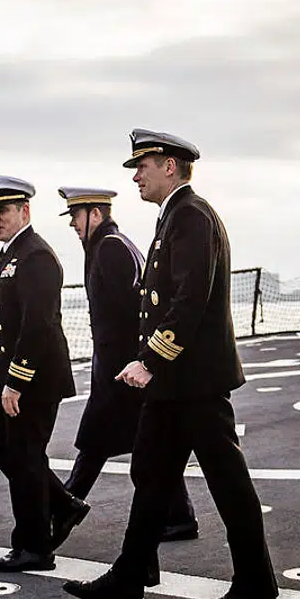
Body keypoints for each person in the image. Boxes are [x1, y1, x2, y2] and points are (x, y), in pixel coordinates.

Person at [62, 131, 277, 599]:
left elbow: (188, 300)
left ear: (172, 167)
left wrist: (150, 360)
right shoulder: (174, 217)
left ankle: (256, 590)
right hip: (175, 385)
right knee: (151, 475)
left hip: (195, 383)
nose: (136, 175)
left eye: (144, 165)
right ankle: (131, 576)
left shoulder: (192, 217)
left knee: (229, 483)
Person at [55, 187, 197, 547]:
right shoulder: (110, 244)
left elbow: (134, 310)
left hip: (120, 368)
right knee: (139, 442)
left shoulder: (110, 248)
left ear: (96, 214)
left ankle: (61, 509)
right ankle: (180, 516)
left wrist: (135, 361)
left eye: (77, 215)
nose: (72, 223)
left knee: (96, 441)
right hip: (117, 366)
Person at [0, 176, 79, 572]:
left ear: (24, 211)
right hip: (16, 374)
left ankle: (34, 547)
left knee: (25, 456)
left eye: (2, 211)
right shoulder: (11, 253)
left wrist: (15, 381)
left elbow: (37, 325)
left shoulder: (37, 257)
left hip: (36, 377)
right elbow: (3, 322)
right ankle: (63, 506)